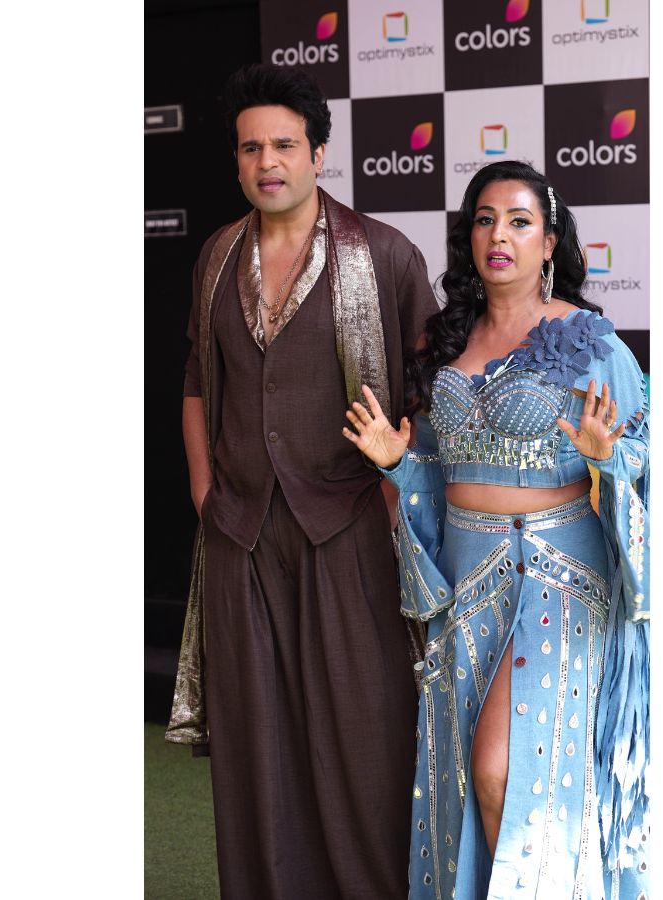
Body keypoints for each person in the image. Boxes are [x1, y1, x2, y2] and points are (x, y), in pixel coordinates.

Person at [165, 63, 439, 900]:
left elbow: (430, 398)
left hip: (349, 525)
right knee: (256, 751)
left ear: (319, 153)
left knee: (364, 744)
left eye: (284, 145)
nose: (267, 162)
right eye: (251, 148)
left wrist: (396, 487)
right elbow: (197, 383)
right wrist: (206, 492)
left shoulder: (384, 254)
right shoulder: (217, 254)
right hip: (240, 531)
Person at [343, 160, 650, 900]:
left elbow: (643, 452)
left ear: (550, 242)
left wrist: (606, 458)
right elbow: (435, 470)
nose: (499, 236)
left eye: (519, 221)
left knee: (502, 770)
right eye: (485, 220)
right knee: (469, 781)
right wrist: (396, 462)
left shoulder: (591, 340)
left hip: (559, 577)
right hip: (468, 580)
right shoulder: (445, 340)